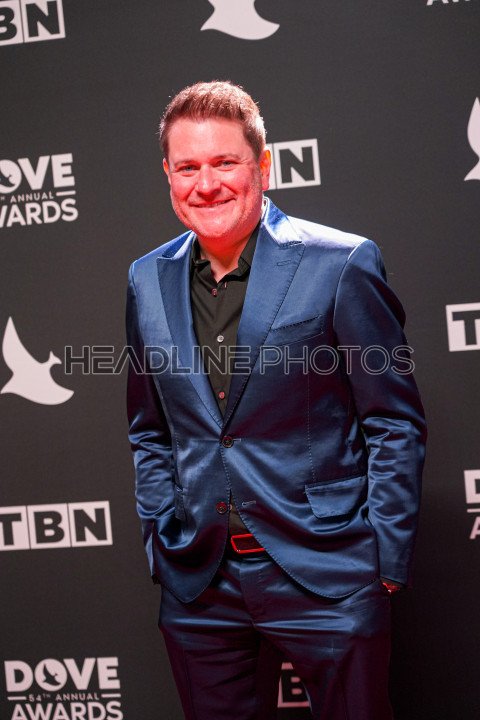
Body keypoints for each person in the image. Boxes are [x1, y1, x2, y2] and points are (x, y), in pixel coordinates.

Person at [126, 80, 427, 720]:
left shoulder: (340, 262)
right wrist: (161, 535)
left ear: (263, 165)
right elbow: (150, 427)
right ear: (169, 176)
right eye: (188, 167)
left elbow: (394, 421)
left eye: (224, 162)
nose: (206, 184)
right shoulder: (146, 278)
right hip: (199, 581)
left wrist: (382, 559)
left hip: (329, 571)